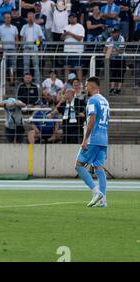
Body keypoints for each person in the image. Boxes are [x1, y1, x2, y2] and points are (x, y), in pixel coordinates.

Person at [75, 76, 110, 208]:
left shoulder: (92, 100)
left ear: (91, 86)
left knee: (78, 165)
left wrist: (85, 139)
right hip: (103, 138)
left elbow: (92, 119)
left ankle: (96, 192)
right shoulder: (105, 101)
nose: (85, 88)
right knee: (99, 168)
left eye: (86, 86)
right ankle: (103, 200)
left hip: (93, 138)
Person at [61, 13, 85, 83]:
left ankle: (80, 84)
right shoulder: (66, 27)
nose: (71, 19)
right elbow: (62, 38)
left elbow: (80, 38)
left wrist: (70, 34)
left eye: (73, 17)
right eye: (70, 18)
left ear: (76, 18)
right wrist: (65, 34)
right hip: (67, 50)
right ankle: (66, 83)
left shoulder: (80, 26)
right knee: (66, 67)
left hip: (77, 50)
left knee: (78, 67)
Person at [20, 12, 44, 84]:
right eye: (29, 17)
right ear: (27, 18)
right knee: (26, 65)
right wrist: (22, 46)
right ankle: (26, 81)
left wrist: (36, 45)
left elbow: (40, 39)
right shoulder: (24, 27)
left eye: (31, 17)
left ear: (34, 18)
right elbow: (22, 38)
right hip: (26, 48)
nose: (30, 18)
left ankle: (37, 82)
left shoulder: (38, 27)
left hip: (34, 48)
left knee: (36, 66)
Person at [105, 28, 126, 95]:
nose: (113, 34)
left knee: (120, 73)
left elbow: (121, 50)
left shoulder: (122, 38)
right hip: (112, 59)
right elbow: (105, 49)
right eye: (112, 33)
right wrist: (112, 52)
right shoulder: (109, 39)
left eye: (114, 33)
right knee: (112, 73)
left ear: (118, 33)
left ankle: (119, 89)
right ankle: (112, 88)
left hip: (121, 59)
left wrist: (111, 52)